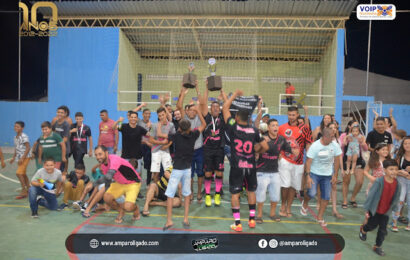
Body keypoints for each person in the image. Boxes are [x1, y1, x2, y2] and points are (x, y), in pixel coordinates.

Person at [222, 89, 268, 232]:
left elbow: (225, 108)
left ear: (236, 117)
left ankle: (237, 223)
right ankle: (252, 220)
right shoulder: (254, 130)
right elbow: (265, 146)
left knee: (235, 194)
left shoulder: (233, 126)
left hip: (237, 166)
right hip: (250, 166)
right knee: (251, 192)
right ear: (248, 118)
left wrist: (234, 95)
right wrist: (256, 151)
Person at [162, 105, 206, 231]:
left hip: (176, 171)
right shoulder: (193, 135)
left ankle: (169, 221)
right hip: (187, 170)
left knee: (170, 195)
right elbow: (203, 124)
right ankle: (186, 219)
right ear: (190, 128)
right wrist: (198, 111)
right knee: (187, 195)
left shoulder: (176, 136)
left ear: (179, 128)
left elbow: (162, 135)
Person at [255, 119, 299, 223]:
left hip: (275, 172)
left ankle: (272, 214)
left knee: (275, 195)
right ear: (268, 127)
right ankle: (259, 215)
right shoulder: (262, 138)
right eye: (273, 125)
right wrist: (262, 143)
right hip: (262, 171)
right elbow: (255, 149)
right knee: (260, 195)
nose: (275, 127)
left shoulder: (281, 139)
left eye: (277, 125)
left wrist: (294, 151)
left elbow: (288, 149)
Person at [300, 128, 342, 227]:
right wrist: (308, 176)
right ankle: (305, 203)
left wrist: (335, 174)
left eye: (333, 136)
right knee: (311, 193)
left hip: (327, 175)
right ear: (325, 136)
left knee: (326, 197)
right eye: (331, 137)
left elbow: (336, 160)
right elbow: (308, 162)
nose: (333, 139)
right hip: (314, 173)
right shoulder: (315, 146)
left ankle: (320, 217)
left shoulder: (335, 146)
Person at [359, 159, 401, 256]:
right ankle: (364, 229)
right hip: (375, 210)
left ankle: (377, 246)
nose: (394, 171)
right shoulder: (379, 181)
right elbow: (371, 196)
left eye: (395, 169)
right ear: (385, 170)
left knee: (383, 230)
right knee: (372, 226)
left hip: (386, 211)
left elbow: (396, 198)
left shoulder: (397, 184)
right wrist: (367, 210)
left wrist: (396, 210)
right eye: (391, 169)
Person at [93, 146, 142, 223]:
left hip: (133, 183)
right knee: (107, 197)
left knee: (128, 207)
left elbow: (109, 175)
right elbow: (108, 182)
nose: (98, 157)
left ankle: (136, 208)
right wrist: (107, 202)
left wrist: (94, 183)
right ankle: (121, 211)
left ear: (106, 153)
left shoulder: (114, 159)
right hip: (119, 183)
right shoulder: (103, 165)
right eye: (96, 155)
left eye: (100, 154)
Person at [278, 106, 312, 218]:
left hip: (298, 162)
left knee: (293, 186)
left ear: (297, 115)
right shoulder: (282, 128)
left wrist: (309, 156)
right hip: (285, 160)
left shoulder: (305, 128)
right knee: (285, 185)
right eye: (289, 115)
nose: (291, 117)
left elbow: (308, 143)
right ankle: (283, 205)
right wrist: (279, 156)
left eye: (293, 115)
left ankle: (289, 208)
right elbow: (277, 143)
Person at [176, 82, 206, 203]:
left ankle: (199, 192)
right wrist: (183, 91)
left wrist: (198, 87)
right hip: (189, 152)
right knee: (190, 175)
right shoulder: (185, 119)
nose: (192, 112)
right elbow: (179, 106)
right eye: (189, 110)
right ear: (187, 112)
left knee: (200, 174)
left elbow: (203, 103)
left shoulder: (199, 117)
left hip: (199, 150)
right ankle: (192, 192)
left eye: (193, 110)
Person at [199, 83, 225, 207]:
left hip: (219, 149)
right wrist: (206, 88)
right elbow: (203, 103)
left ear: (219, 109)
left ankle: (218, 194)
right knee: (208, 173)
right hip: (208, 149)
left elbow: (227, 105)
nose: (215, 109)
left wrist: (222, 91)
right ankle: (208, 195)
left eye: (217, 107)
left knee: (219, 173)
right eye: (213, 107)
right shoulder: (207, 117)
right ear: (210, 109)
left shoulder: (223, 118)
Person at [340, 120, 368, 209]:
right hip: (347, 158)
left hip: (358, 159)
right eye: (354, 125)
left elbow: (365, 148)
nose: (356, 127)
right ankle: (345, 200)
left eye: (357, 126)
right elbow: (341, 147)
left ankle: (353, 197)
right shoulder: (344, 135)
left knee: (359, 181)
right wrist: (346, 142)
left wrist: (362, 143)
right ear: (350, 127)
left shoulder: (360, 136)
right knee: (346, 181)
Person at [149, 107, 176, 184]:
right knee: (156, 173)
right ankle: (156, 190)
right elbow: (150, 140)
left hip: (166, 151)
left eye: (163, 115)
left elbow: (173, 138)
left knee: (168, 171)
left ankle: (169, 190)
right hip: (155, 151)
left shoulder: (171, 125)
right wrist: (162, 143)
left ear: (166, 115)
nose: (161, 117)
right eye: (159, 115)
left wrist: (167, 145)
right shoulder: (154, 125)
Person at [391, 136, 410, 231]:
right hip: (401, 180)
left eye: (409, 143)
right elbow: (393, 171)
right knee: (400, 200)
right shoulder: (399, 156)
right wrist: (401, 172)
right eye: (405, 143)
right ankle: (394, 222)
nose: (407, 145)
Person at [10, 121, 31, 199]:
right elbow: (16, 148)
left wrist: (22, 158)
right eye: (15, 126)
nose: (16, 128)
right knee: (23, 173)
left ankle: (24, 190)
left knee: (18, 173)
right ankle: (28, 188)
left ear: (22, 128)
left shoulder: (24, 136)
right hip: (19, 158)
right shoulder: (15, 137)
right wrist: (13, 157)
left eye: (18, 127)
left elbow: (28, 147)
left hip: (25, 157)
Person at [52, 106, 71, 173]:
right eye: (58, 112)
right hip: (57, 149)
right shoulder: (56, 123)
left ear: (65, 114)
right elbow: (53, 131)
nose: (59, 114)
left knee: (61, 169)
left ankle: (63, 177)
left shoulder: (66, 124)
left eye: (62, 113)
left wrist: (58, 143)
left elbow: (65, 138)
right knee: (56, 167)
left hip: (64, 149)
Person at [138, 108, 153, 185]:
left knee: (149, 166)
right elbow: (132, 112)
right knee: (138, 165)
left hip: (148, 147)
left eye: (149, 113)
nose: (148, 115)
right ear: (143, 114)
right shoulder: (139, 122)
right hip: (139, 146)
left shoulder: (152, 124)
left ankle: (148, 183)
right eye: (146, 113)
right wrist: (141, 105)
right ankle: (137, 183)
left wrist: (150, 127)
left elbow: (152, 136)